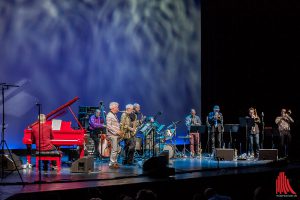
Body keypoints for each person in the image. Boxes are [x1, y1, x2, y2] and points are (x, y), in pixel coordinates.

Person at [106, 102, 122, 169]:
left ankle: (114, 162)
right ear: (113, 108)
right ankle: (112, 163)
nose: (118, 109)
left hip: (115, 135)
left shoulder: (114, 115)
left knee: (118, 149)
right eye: (117, 107)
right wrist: (117, 131)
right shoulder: (109, 115)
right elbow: (109, 126)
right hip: (112, 135)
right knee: (115, 149)